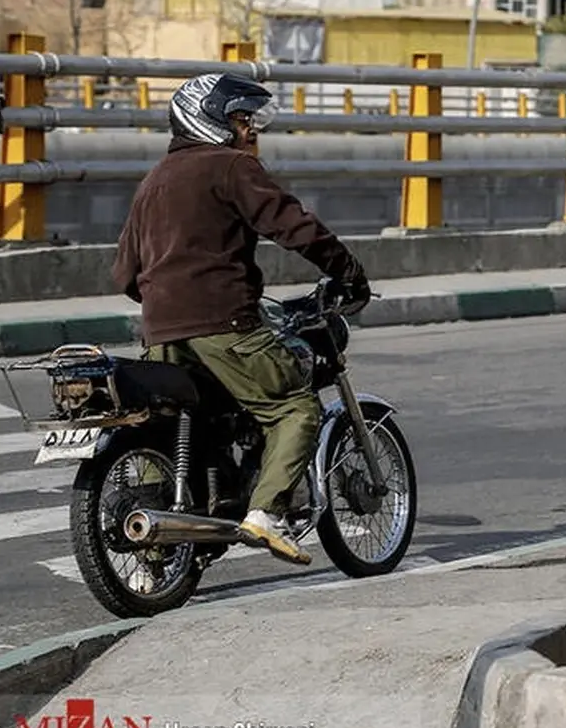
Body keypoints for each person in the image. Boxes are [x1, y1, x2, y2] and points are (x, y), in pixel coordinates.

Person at [111, 73, 371, 566]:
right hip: (225, 322)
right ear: (207, 119)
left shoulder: (153, 182)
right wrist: (350, 272)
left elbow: (125, 272)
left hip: (160, 329)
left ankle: (158, 544)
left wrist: (167, 298)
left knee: (182, 426)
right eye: (239, 118)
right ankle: (266, 514)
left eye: (250, 120)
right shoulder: (229, 167)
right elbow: (295, 226)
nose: (249, 129)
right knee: (295, 408)